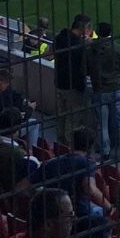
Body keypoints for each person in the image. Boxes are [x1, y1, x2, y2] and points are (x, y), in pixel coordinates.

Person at [87, 21, 120, 162]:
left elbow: (86, 68)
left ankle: (105, 152)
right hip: (116, 88)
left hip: (99, 90)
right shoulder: (118, 49)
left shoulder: (90, 49)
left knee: (102, 124)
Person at [51, 13, 94, 144]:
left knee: (61, 116)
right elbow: (84, 65)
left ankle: (60, 143)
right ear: (83, 28)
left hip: (59, 82)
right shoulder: (77, 45)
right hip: (73, 86)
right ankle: (70, 145)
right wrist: (86, 46)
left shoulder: (61, 37)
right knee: (73, 117)